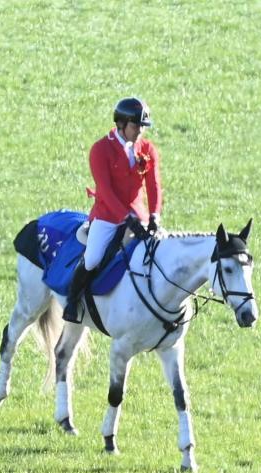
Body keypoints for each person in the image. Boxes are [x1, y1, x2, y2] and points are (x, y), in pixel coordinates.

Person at [63, 97, 163, 323]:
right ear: (121, 124)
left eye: (142, 127)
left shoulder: (147, 149)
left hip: (139, 214)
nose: (140, 132)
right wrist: (125, 218)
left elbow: (154, 185)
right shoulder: (101, 149)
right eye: (136, 126)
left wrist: (155, 214)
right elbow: (105, 190)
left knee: (156, 252)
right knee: (93, 258)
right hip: (108, 215)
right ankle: (72, 300)